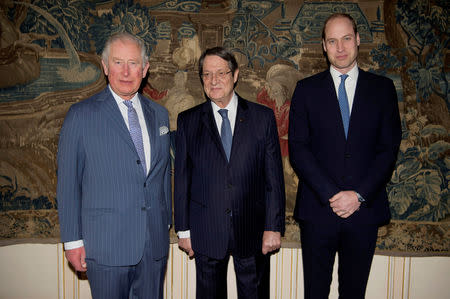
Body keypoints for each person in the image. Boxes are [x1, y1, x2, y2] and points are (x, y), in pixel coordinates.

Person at [288, 13, 401, 299]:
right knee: (315, 292)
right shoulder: (306, 90)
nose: (340, 48)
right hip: (318, 210)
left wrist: (358, 195)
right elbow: (299, 150)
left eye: (346, 38)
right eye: (333, 41)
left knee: (354, 293)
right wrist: (332, 194)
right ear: (324, 46)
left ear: (358, 40)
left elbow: (388, 149)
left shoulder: (382, 89)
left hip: (364, 212)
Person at [56, 32, 171, 299]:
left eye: (133, 63)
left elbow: (162, 174)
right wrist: (72, 241)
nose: (126, 71)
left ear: (145, 69)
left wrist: (164, 223)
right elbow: (68, 183)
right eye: (118, 62)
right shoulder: (81, 115)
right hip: (105, 245)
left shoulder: (160, 114)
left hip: (153, 245)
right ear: (105, 67)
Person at [174, 47, 285, 299]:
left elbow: (274, 179)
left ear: (235, 75)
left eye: (221, 73)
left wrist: (273, 226)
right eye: (207, 74)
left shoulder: (262, 118)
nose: (214, 81)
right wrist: (183, 230)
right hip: (206, 231)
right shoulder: (188, 121)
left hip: (253, 230)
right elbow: (181, 178)